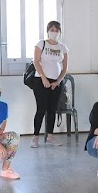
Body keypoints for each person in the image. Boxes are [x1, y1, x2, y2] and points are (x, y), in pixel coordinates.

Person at [31, 20, 69, 148]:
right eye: (52, 30)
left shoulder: (63, 47)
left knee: (52, 109)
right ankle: (35, 137)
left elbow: (65, 68)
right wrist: (43, 78)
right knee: (41, 109)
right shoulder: (41, 44)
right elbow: (36, 62)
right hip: (41, 80)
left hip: (56, 82)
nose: (54, 32)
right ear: (48, 31)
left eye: (57, 30)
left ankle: (50, 136)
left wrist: (58, 81)